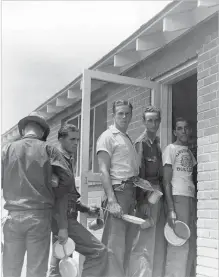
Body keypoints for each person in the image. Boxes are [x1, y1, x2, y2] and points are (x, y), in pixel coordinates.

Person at [1, 112, 74, 277]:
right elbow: (68, 180)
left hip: (13, 217)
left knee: (10, 271)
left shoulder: (7, 150)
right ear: (42, 132)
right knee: (36, 271)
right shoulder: (48, 149)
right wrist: (52, 189)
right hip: (39, 218)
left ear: (24, 130)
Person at [48, 123, 123, 277]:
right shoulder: (57, 161)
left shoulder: (67, 160)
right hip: (63, 219)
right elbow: (58, 197)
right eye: (72, 139)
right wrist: (62, 226)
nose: (76, 143)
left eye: (77, 139)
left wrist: (87, 209)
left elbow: (69, 196)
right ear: (60, 139)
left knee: (61, 263)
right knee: (98, 251)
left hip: (63, 218)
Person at [96, 100, 139, 275]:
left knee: (126, 245)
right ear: (113, 115)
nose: (124, 117)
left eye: (127, 113)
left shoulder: (126, 137)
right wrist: (112, 201)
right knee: (114, 245)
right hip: (117, 192)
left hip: (129, 193)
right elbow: (103, 170)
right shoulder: (108, 136)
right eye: (120, 113)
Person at [125, 105, 166, 277]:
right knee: (142, 245)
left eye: (156, 120)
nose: (153, 124)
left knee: (154, 244)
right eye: (150, 120)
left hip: (156, 200)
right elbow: (135, 176)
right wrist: (142, 203)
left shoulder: (156, 144)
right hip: (145, 201)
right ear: (143, 122)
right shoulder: (140, 144)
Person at [162, 117, 197, 277]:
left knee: (189, 240)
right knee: (178, 240)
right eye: (179, 128)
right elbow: (166, 181)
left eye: (185, 128)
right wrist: (171, 209)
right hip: (177, 197)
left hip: (190, 197)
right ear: (175, 131)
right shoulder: (170, 148)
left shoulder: (189, 152)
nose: (183, 131)